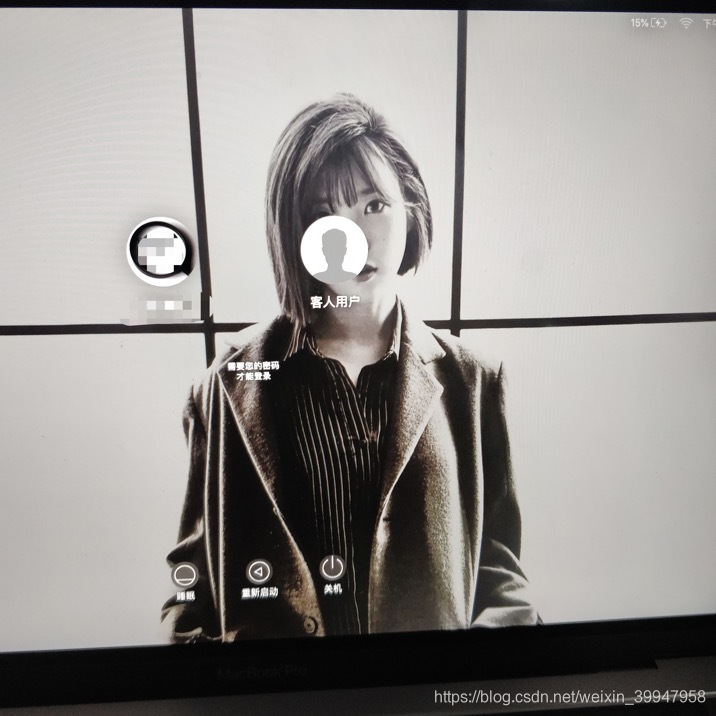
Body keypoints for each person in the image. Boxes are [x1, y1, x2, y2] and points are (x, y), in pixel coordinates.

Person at [162, 94, 538, 642]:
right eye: (322, 215)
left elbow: (502, 579)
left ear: (412, 209)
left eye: (374, 205)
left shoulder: (474, 379)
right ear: (290, 232)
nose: (351, 238)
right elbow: (188, 591)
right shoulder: (225, 384)